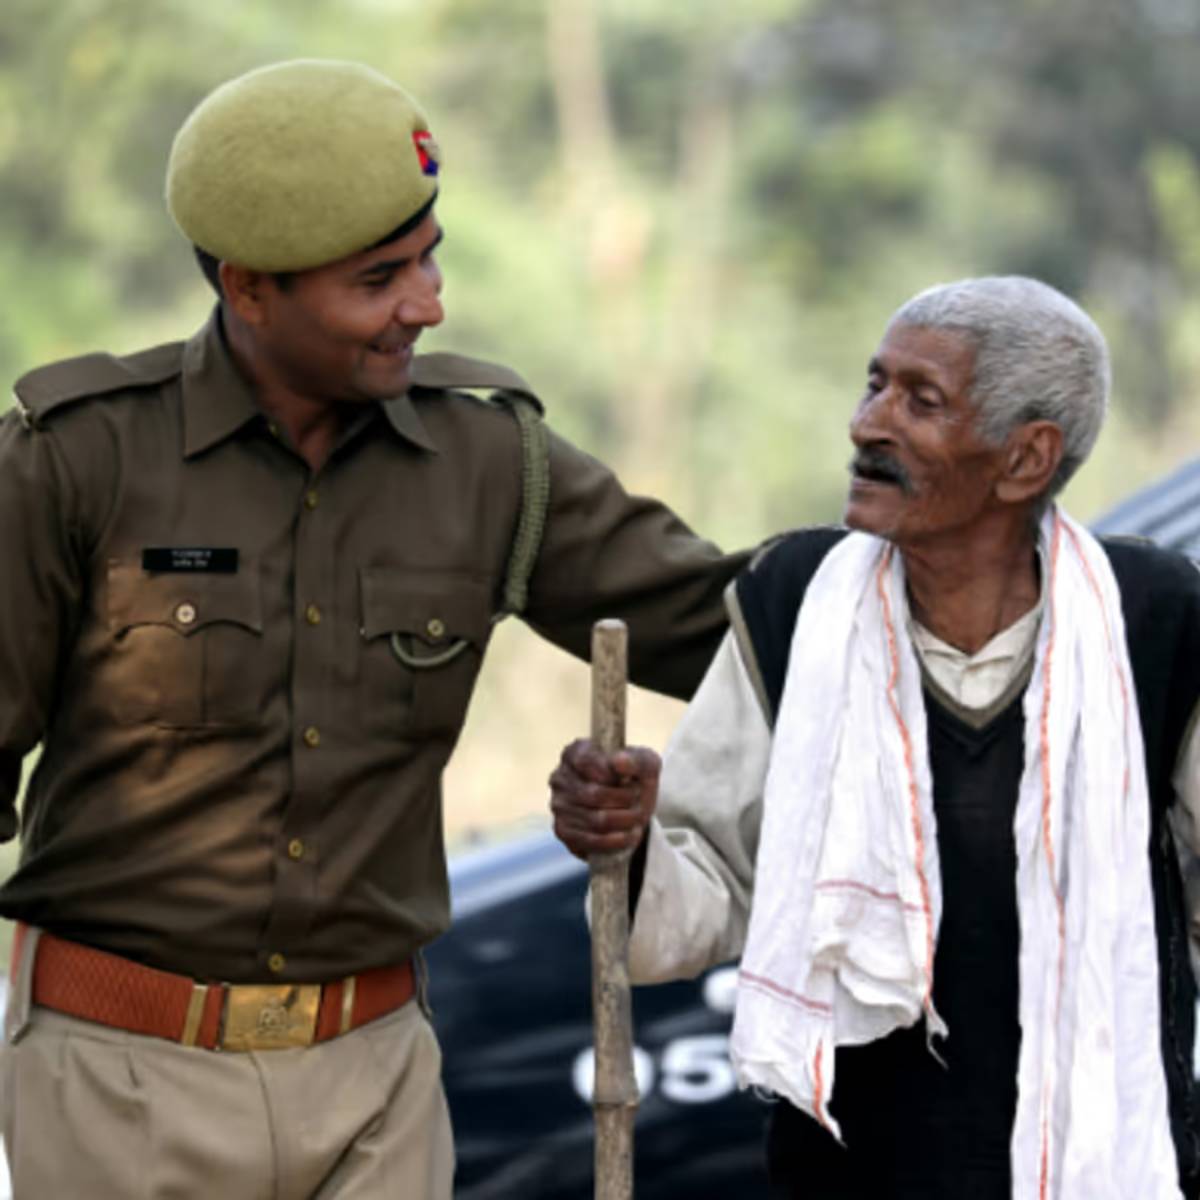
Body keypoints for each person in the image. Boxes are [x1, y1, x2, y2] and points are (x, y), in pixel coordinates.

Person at [0, 60, 750, 1199]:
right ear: (249, 288)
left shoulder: (496, 464)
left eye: (430, 256)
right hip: (119, 1085)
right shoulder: (74, 460)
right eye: (380, 277)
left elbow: (726, 624)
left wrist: (944, 552)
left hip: (379, 1087)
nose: (429, 301)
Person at [551, 275, 1200, 1199]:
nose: (868, 424)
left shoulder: (1157, 625)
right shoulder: (795, 608)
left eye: (920, 401)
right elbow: (685, 912)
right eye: (873, 385)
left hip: (1107, 1164)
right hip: (851, 1170)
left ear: (1025, 460)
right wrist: (630, 838)